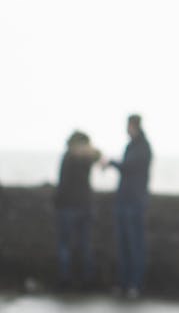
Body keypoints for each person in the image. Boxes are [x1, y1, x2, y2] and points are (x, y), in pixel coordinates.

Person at [107, 114, 152, 299]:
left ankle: (135, 284)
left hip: (135, 201)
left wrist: (110, 162)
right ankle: (125, 283)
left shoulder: (143, 147)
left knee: (135, 245)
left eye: (128, 126)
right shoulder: (131, 146)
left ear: (134, 126)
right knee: (124, 244)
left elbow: (128, 167)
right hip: (124, 200)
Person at [54, 131, 102, 289]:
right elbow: (98, 155)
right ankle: (86, 280)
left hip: (69, 206)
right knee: (84, 245)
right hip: (84, 205)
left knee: (65, 245)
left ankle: (65, 280)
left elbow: (63, 184)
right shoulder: (85, 158)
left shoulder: (69, 157)